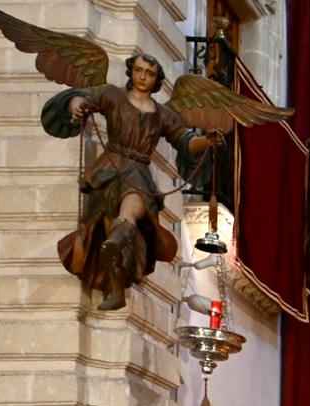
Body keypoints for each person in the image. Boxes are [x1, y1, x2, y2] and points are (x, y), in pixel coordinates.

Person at [41, 51, 222, 310]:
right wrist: (76, 106)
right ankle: (115, 279)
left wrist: (208, 140)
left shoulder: (162, 114)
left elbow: (186, 141)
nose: (142, 77)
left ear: (156, 79)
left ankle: (117, 239)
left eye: (149, 73)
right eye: (138, 70)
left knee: (132, 207)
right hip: (109, 168)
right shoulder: (112, 95)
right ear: (131, 71)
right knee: (108, 227)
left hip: (138, 171)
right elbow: (82, 98)